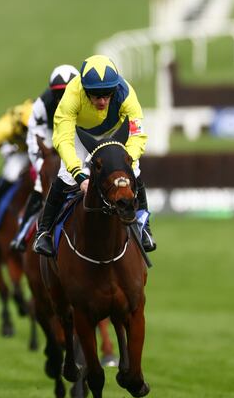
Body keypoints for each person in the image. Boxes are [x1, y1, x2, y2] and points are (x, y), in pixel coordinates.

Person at [32, 54, 156, 257]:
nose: (102, 100)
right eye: (96, 95)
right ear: (84, 90)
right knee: (65, 175)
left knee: (134, 170)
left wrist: (128, 160)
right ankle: (44, 232)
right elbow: (63, 139)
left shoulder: (125, 92)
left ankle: (144, 228)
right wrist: (79, 174)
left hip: (113, 133)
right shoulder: (72, 94)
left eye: (107, 94)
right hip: (81, 134)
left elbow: (138, 133)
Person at [9, 64, 79, 251]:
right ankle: (24, 233)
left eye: (68, 92)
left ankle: (137, 225)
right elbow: (34, 138)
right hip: (50, 135)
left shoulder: (86, 101)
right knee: (41, 185)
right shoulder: (42, 104)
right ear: (51, 92)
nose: (63, 98)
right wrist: (40, 164)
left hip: (76, 134)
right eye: (58, 93)